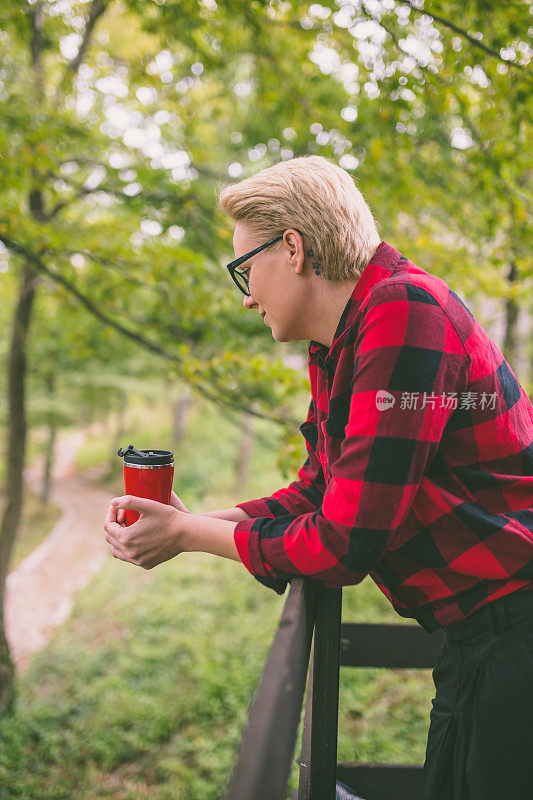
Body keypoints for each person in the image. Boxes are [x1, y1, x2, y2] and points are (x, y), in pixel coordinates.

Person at [104, 155, 533, 799]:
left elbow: (344, 542)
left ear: (294, 248)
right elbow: (319, 489)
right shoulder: (342, 341)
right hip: (479, 638)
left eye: (244, 268)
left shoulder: (405, 311)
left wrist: (190, 537)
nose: (245, 294)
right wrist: (191, 523)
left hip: (514, 633)